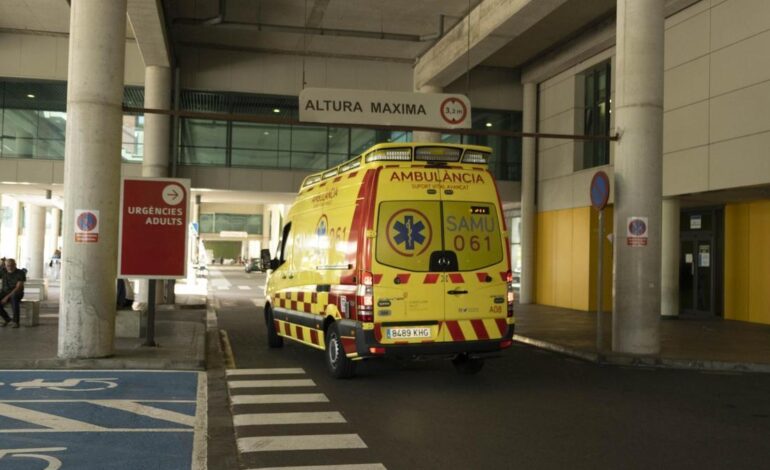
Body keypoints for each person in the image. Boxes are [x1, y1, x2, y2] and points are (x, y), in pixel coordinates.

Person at [0, 258, 25, 328]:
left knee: (14, 298)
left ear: (15, 265)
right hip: (4, 292)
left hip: (17, 293)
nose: (10, 267)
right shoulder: (3, 271)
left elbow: (18, 288)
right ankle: (7, 319)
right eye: (8, 266)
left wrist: (6, 298)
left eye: (11, 265)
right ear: (5, 266)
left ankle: (16, 322)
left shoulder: (20, 273)